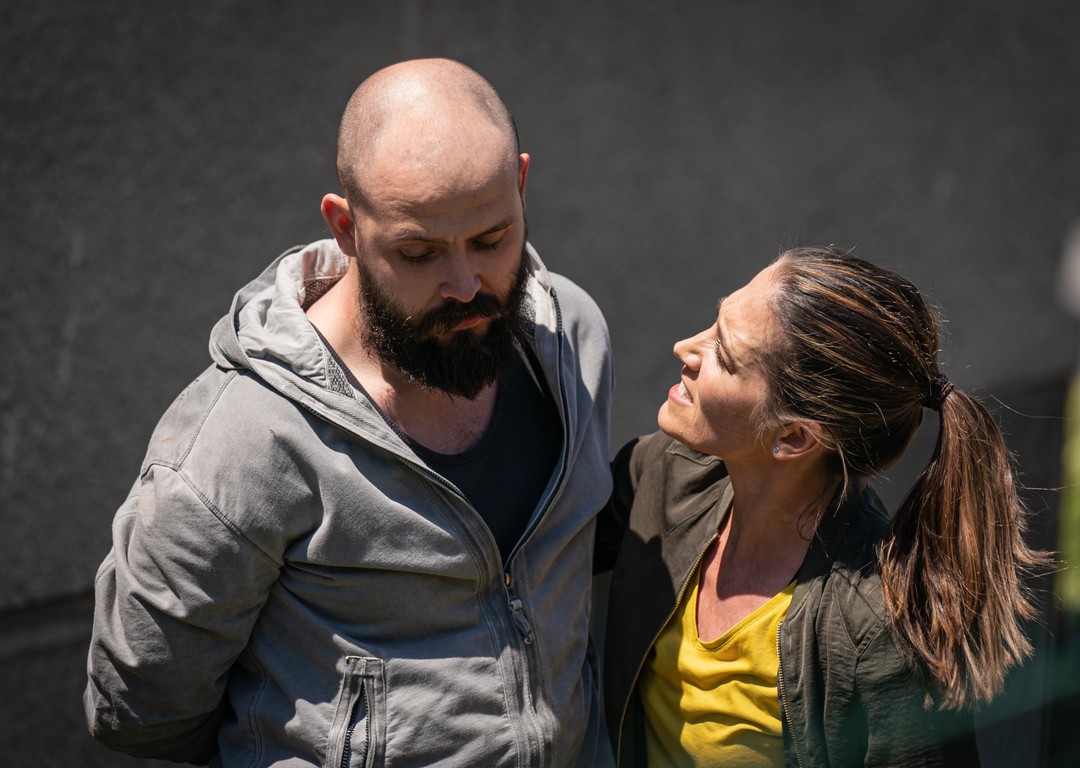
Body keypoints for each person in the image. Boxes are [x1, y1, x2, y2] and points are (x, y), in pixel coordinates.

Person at [84, 58, 613, 767]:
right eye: (418, 252)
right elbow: (141, 707)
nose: (464, 284)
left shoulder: (569, 337)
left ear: (520, 186)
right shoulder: (244, 440)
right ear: (346, 226)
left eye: (491, 240)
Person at [596, 246, 1049, 766]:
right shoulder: (663, 472)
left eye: (725, 355)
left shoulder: (878, 632)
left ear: (792, 438)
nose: (685, 348)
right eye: (714, 323)